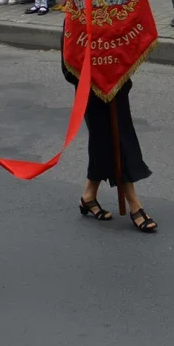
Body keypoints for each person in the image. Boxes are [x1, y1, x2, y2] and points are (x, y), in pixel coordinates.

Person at [63, 65, 156, 234]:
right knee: (107, 142)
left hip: (116, 87)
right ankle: (135, 205)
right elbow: (69, 66)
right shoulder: (71, 36)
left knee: (118, 140)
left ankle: (89, 197)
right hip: (90, 90)